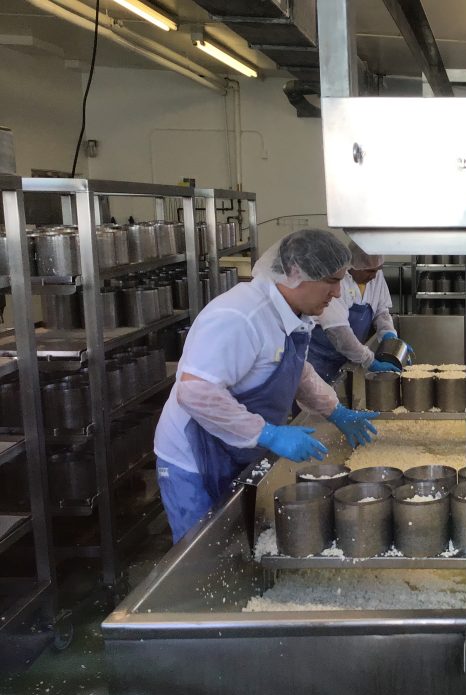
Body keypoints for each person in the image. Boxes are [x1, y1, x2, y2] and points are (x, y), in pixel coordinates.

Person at [154, 229, 379, 542]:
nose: (338, 293)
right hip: (195, 458)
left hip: (234, 448)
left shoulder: (293, 312)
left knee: (240, 542)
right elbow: (195, 392)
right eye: (331, 281)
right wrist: (266, 433)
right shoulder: (241, 317)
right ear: (297, 273)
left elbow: (295, 370)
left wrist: (335, 411)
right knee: (205, 556)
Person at [306, 242, 413, 383]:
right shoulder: (337, 283)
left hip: (348, 356)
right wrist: (369, 361)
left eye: (377, 270)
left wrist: (389, 336)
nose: (374, 276)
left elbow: (381, 311)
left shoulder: (376, 276)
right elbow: (339, 332)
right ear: (353, 266)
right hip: (320, 359)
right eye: (370, 271)